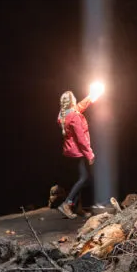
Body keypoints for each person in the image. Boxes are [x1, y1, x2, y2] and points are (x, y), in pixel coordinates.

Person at [57, 89, 95, 219]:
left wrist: (91, 97)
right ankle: (67, 204)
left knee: (81, 179)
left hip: (69, 151)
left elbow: (79, 107)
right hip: (78, 152)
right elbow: (81, 139)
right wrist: (90, 154)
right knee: (84, 179)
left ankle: (77, 208)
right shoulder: (74, 116)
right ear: (72, 101)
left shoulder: (63, 114)